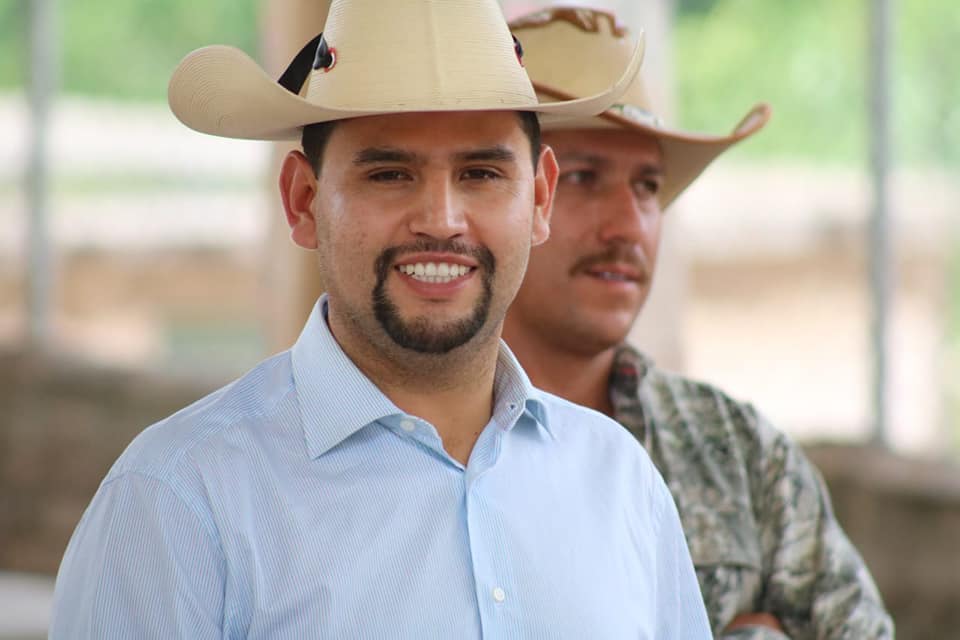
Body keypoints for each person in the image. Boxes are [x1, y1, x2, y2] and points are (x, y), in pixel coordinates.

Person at [48, 1, 712, 637]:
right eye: (390, 174)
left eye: (481, 173)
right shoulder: (178, 499)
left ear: (539, 199)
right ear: (303, 201)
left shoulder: (622, 483)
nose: (441, 221)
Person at [502, 7, 895, 639]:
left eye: (648, 186)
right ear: (502, 195)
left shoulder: (738, 453)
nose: (628, 226)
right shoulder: (412, 448)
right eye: (583, 178)